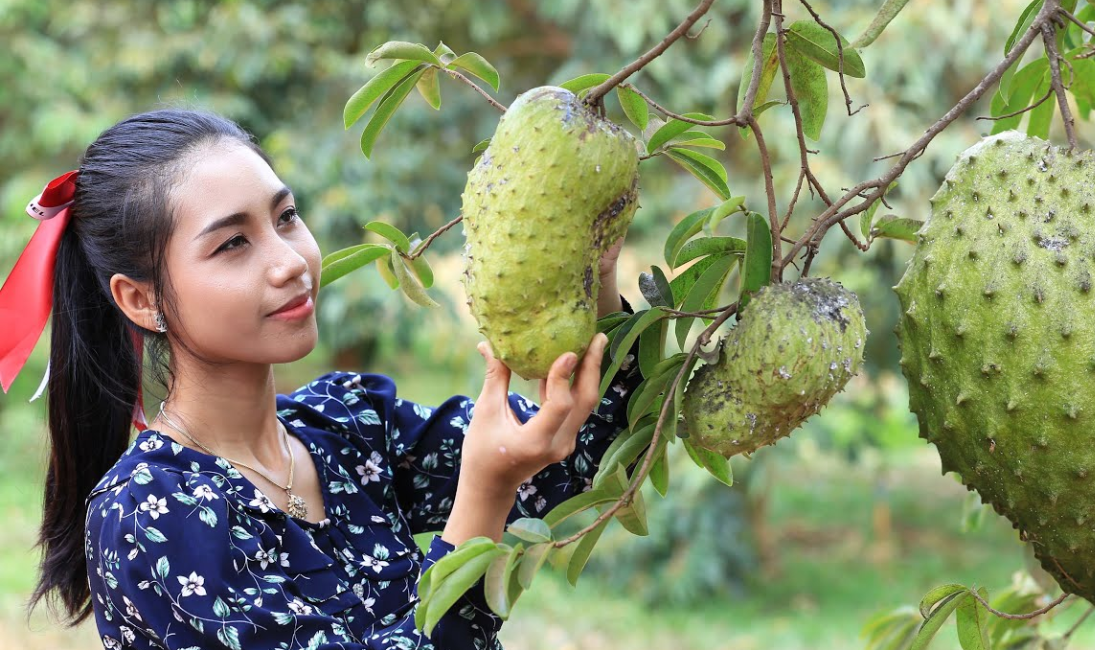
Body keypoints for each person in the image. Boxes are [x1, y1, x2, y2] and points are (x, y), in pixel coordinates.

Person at [3, 109, 644, 649]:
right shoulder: (149, 513)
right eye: (233, 244)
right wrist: (484, 491)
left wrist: (593, 276)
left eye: (285, 218)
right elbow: (496, 479)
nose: (289, 261)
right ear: (143, 301)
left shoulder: (348, 423)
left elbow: (577, 460)